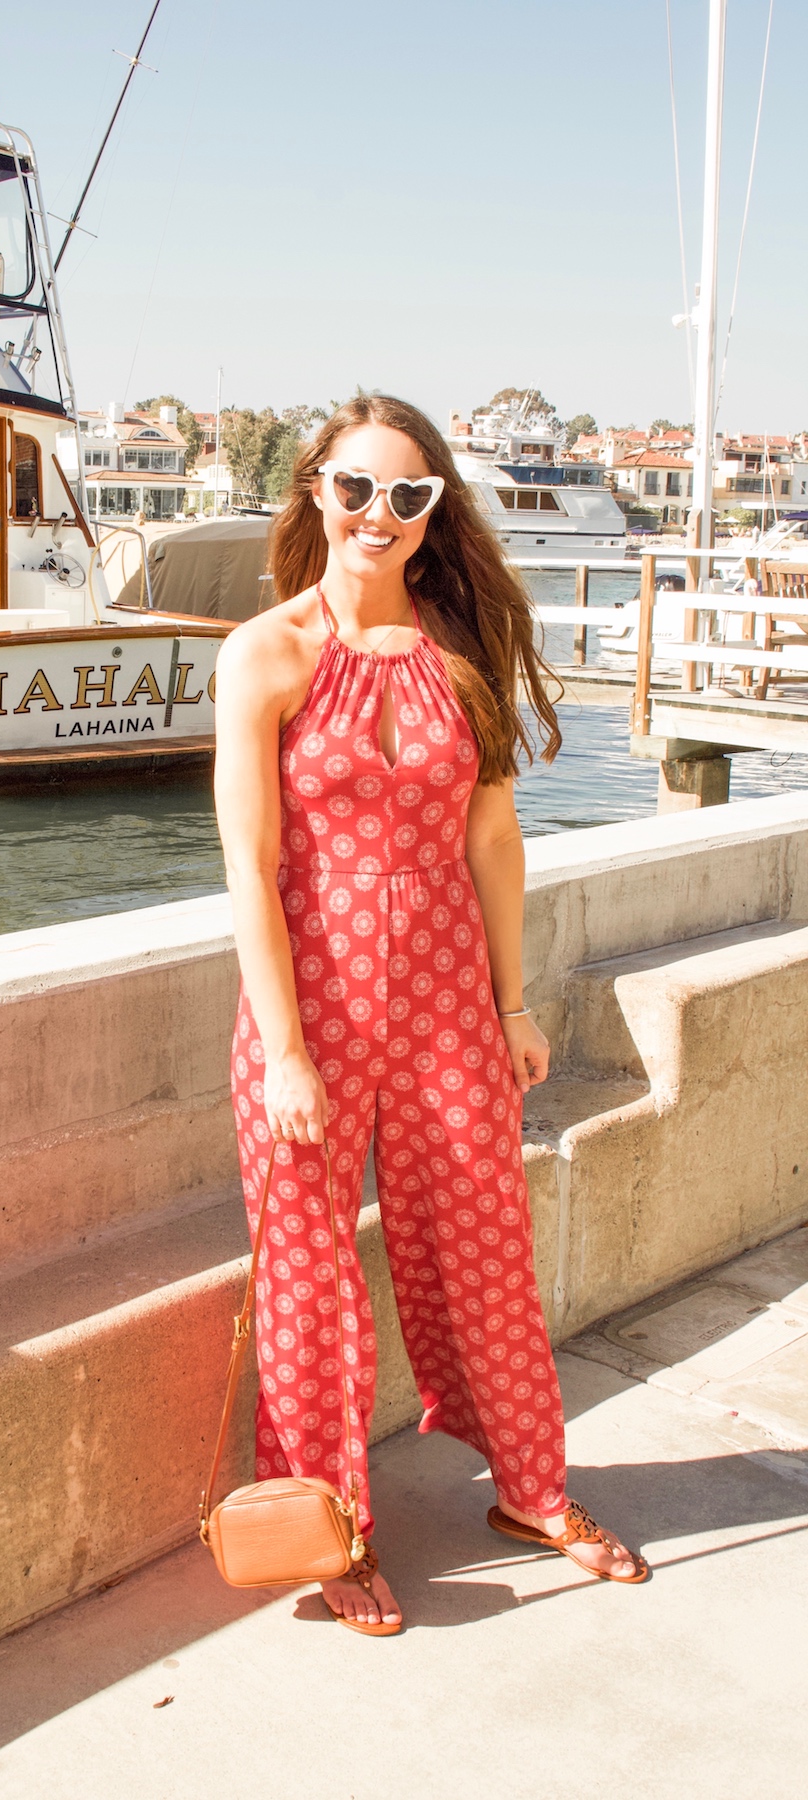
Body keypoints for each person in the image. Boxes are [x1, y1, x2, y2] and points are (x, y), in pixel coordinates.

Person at [212, 395, 647, 1636]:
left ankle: (534, 1492)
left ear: (432, 513)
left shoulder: (461, 647)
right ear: (315, 492)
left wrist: (513, 1003)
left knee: (486, 1248)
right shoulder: (267, 654)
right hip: (315, 1010)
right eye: (355, 489)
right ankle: (328, 1534)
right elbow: (249, 864)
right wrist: (286, 1052)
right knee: (309, 1280)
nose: (377, 517)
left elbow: (495, 839)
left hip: (451, 1000)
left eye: (407, 497)